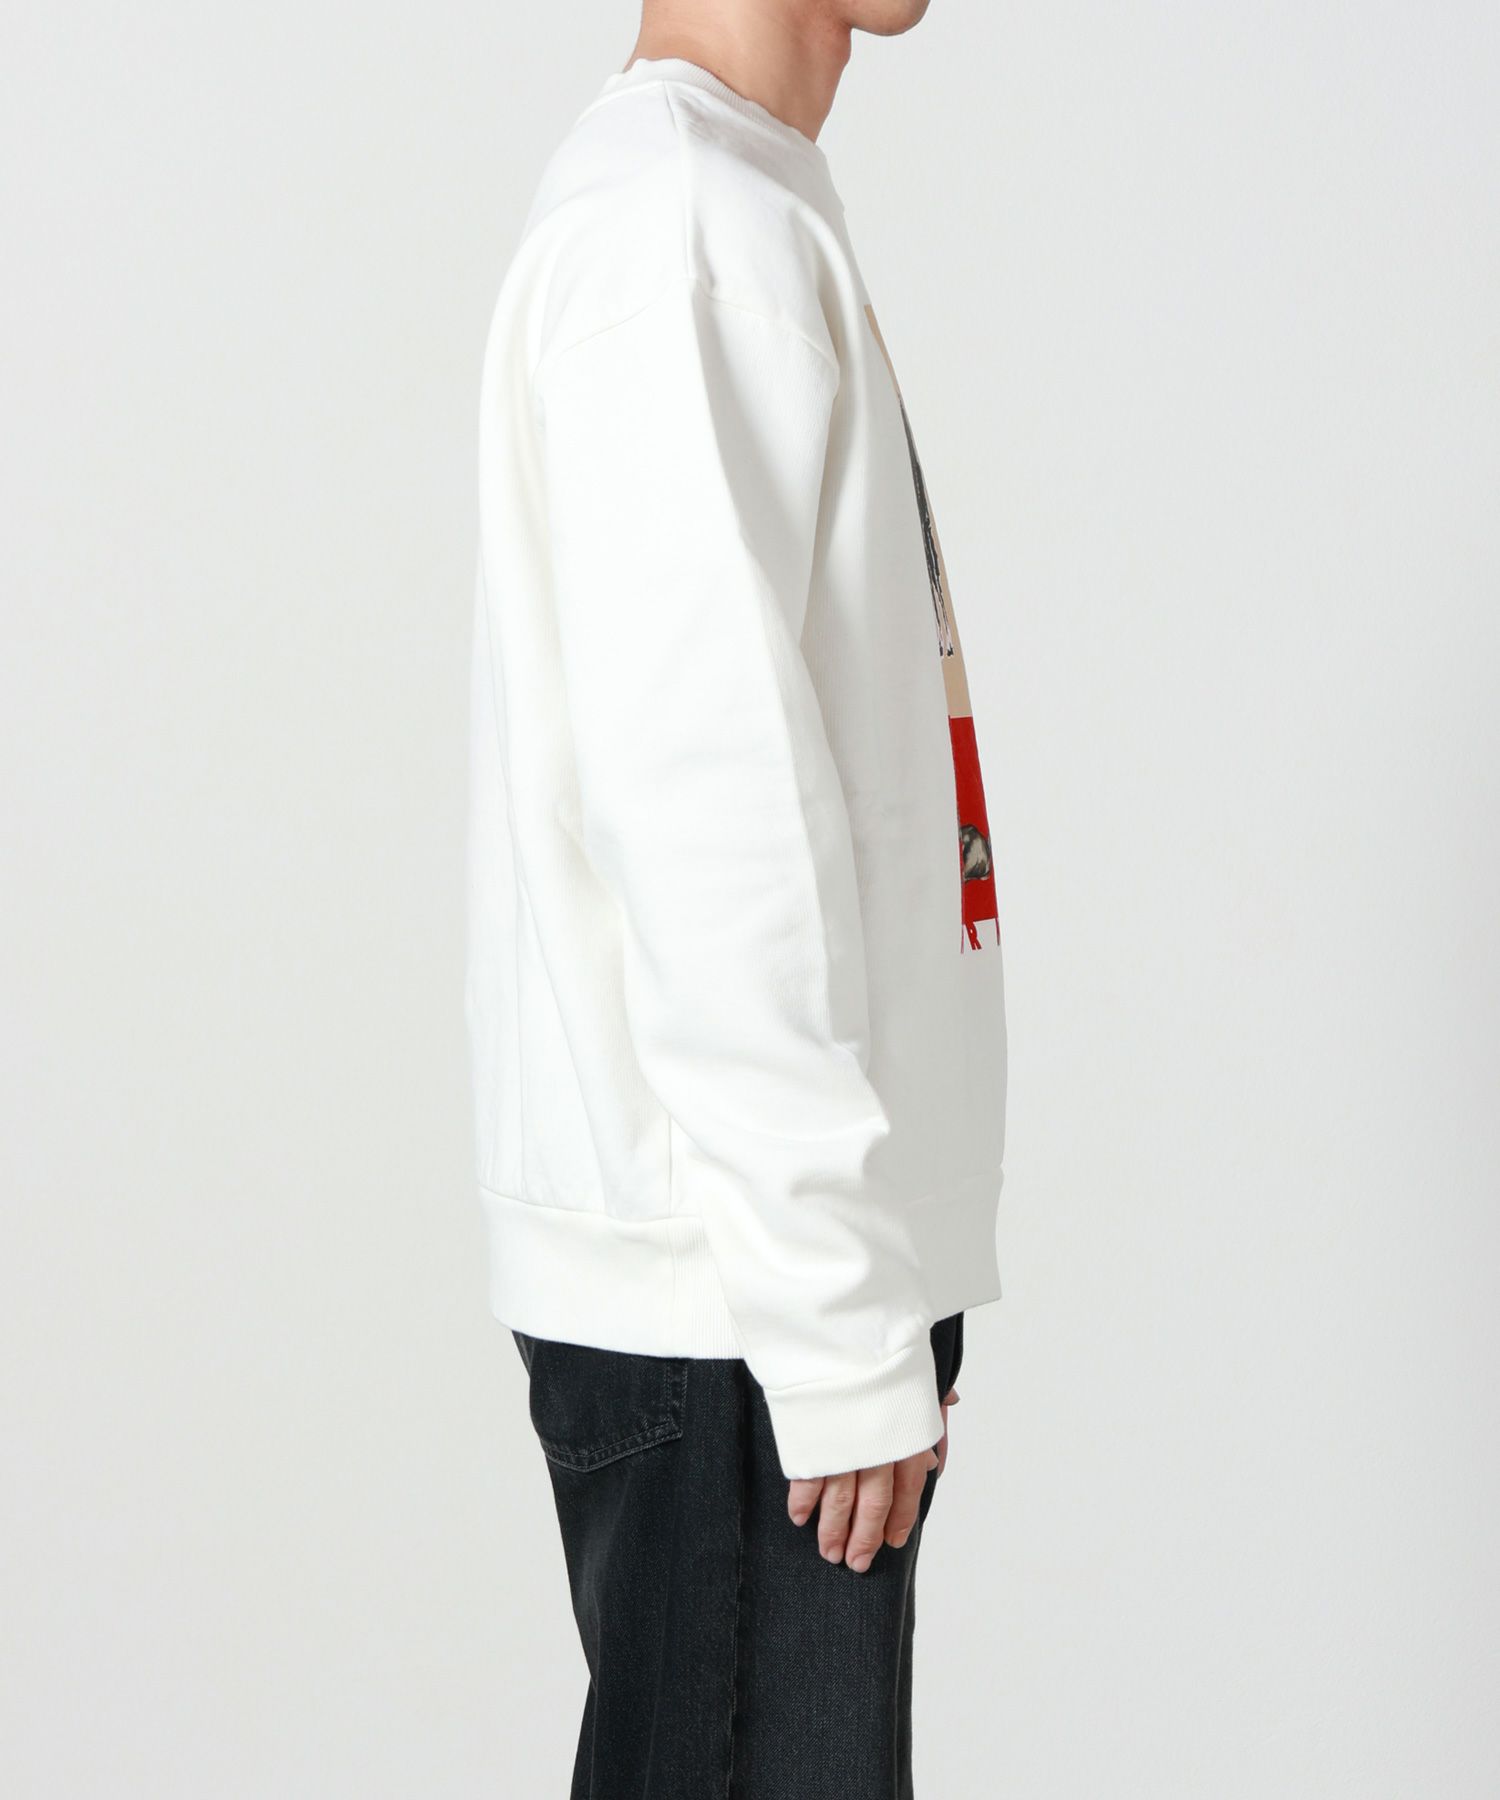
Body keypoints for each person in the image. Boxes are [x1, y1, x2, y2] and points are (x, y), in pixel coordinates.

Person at [466, 2, 1007, 1791]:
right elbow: (705, 821)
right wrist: (835, 1313)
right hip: (745, 1307)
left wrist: (860, 1284)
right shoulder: (684, 227)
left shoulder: (731, 204)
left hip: (763, 1289)